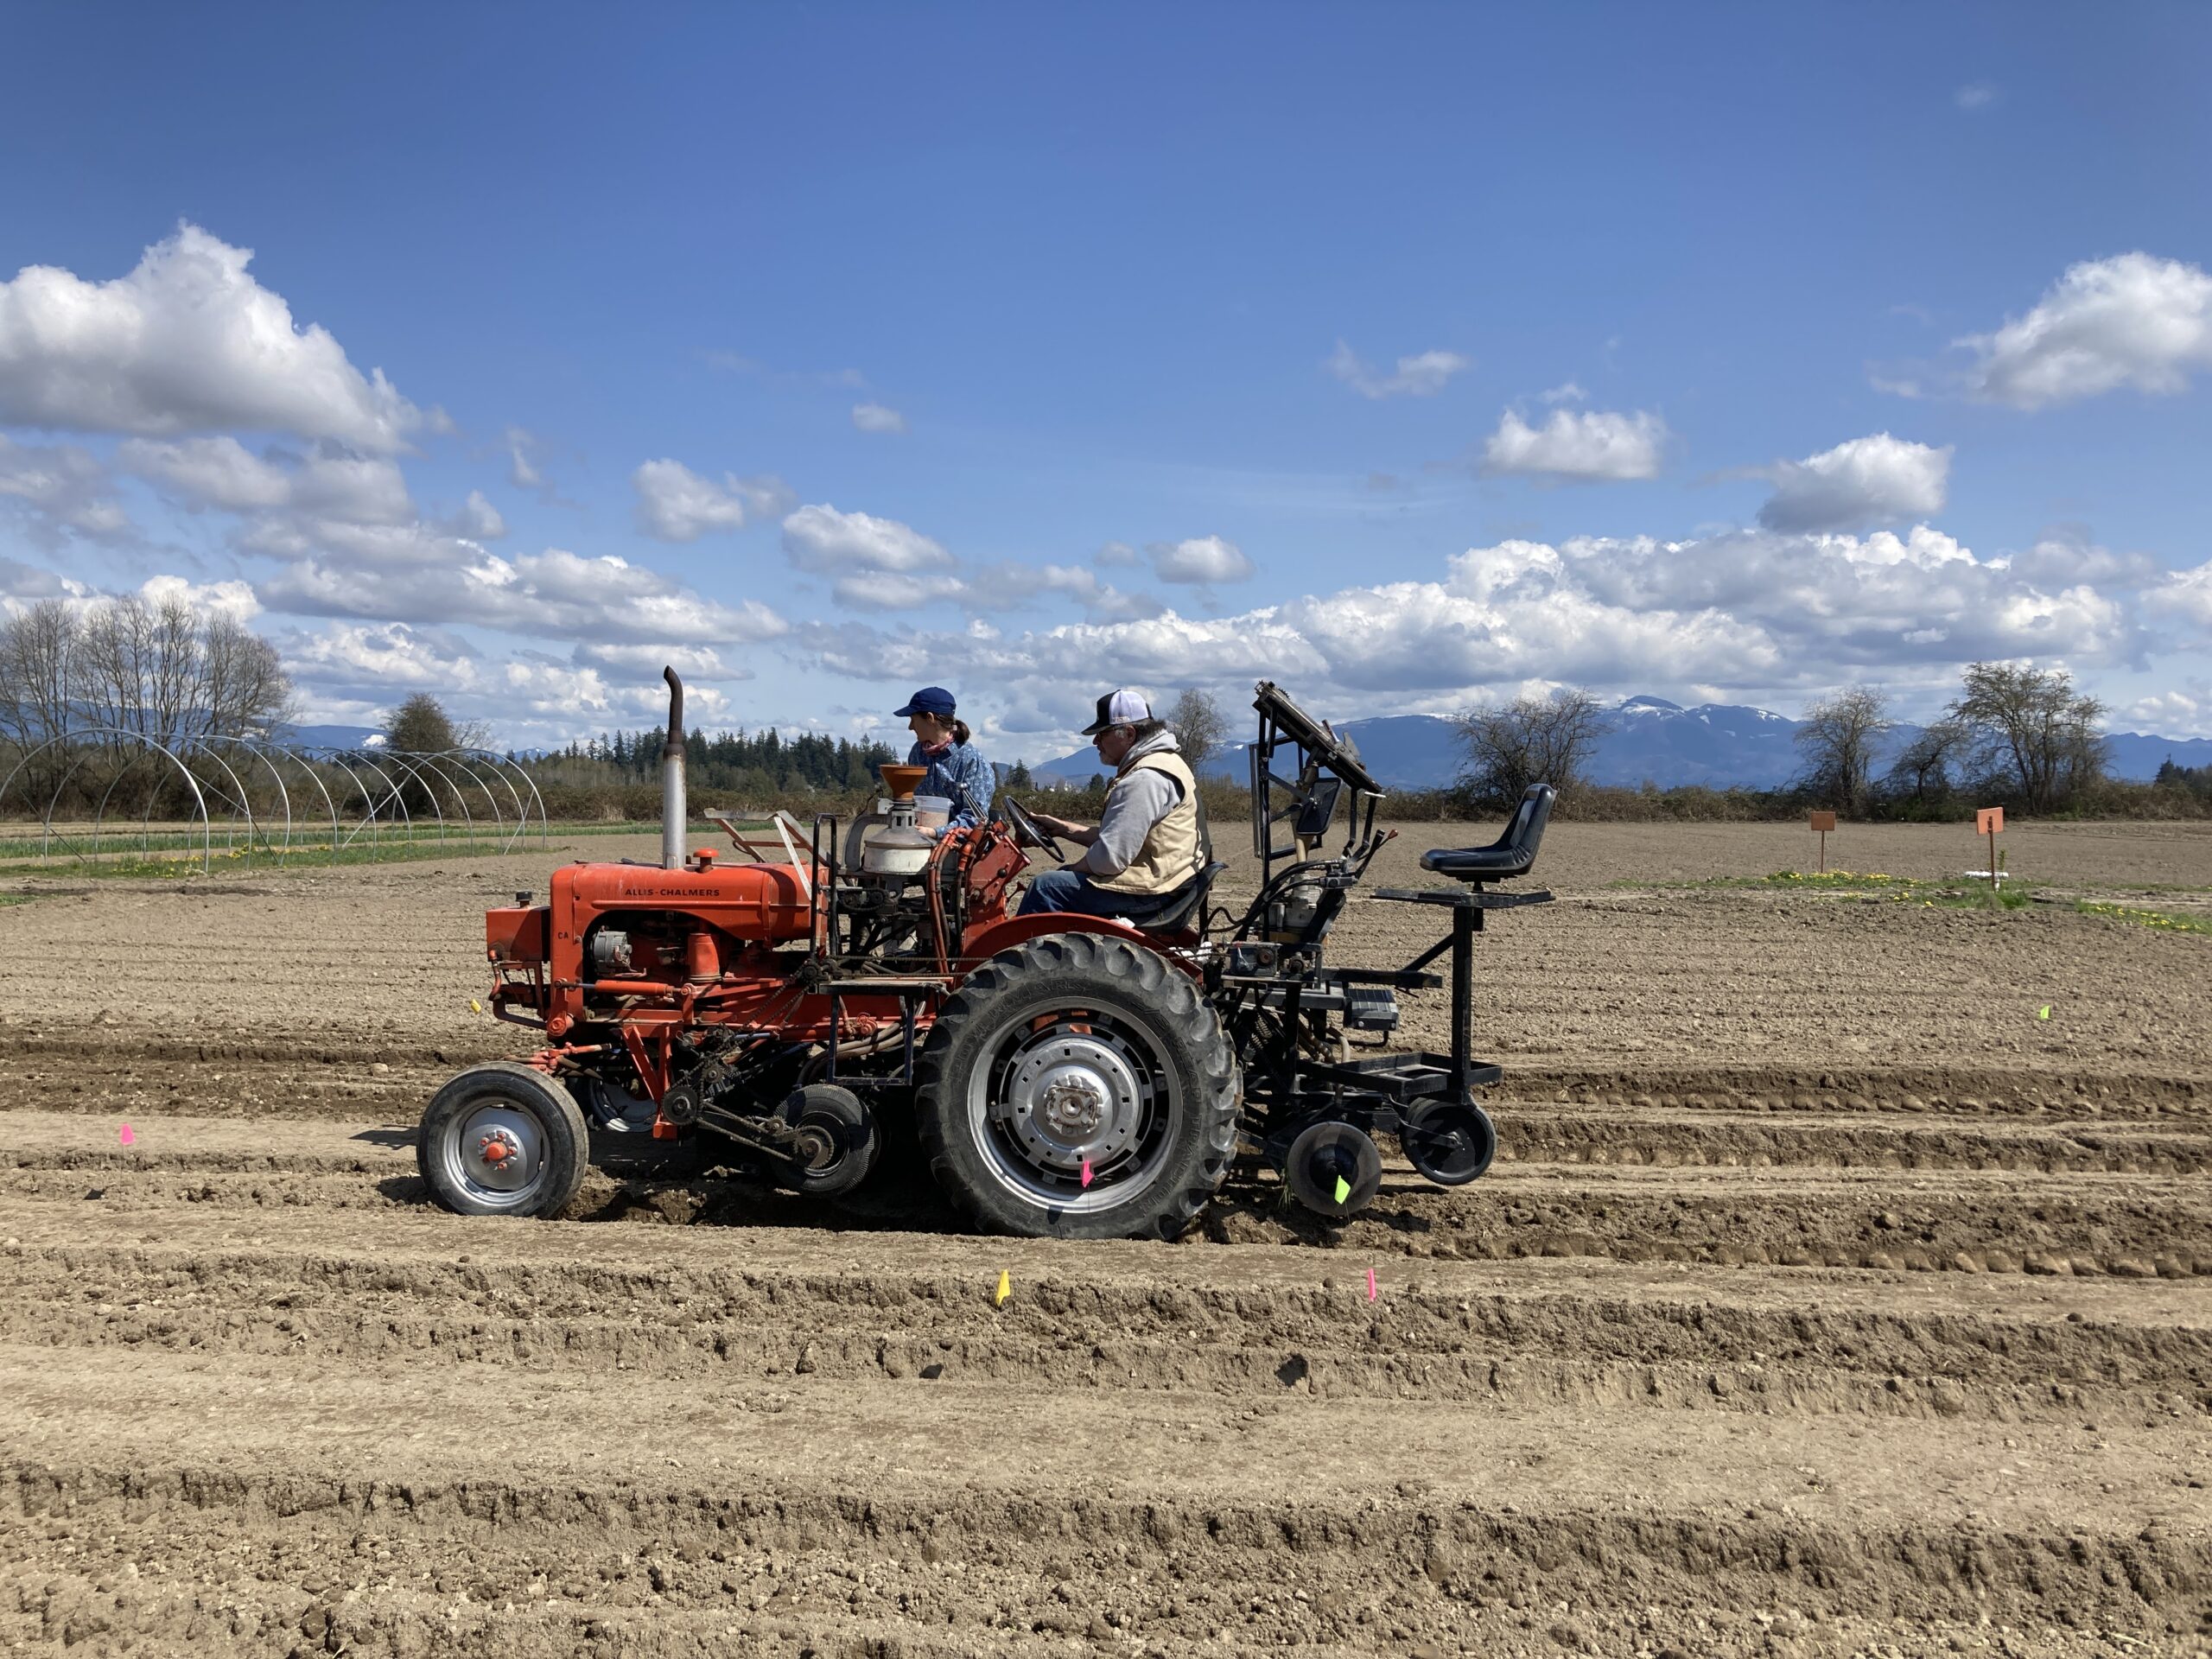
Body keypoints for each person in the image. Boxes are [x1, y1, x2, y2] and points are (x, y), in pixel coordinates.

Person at [1019, 688, 1210, 921]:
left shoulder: (1144, 779)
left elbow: (1110, 858)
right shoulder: (1167, 762)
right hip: (1169, 883)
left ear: (1129, 734)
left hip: (1154, 892)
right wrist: (1063, 829)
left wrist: (1071, 870)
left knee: (1045, 888)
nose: (1095, 741)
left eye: (1102, 734)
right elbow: (1121, 836)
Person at [894, 686, 995, 834]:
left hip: (961, 850)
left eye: (913, 720)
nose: (910, 727)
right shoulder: (917, 753)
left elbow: (977, 818)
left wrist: (935, 833)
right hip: (920, 839)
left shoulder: (971, 760)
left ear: (930, 718)